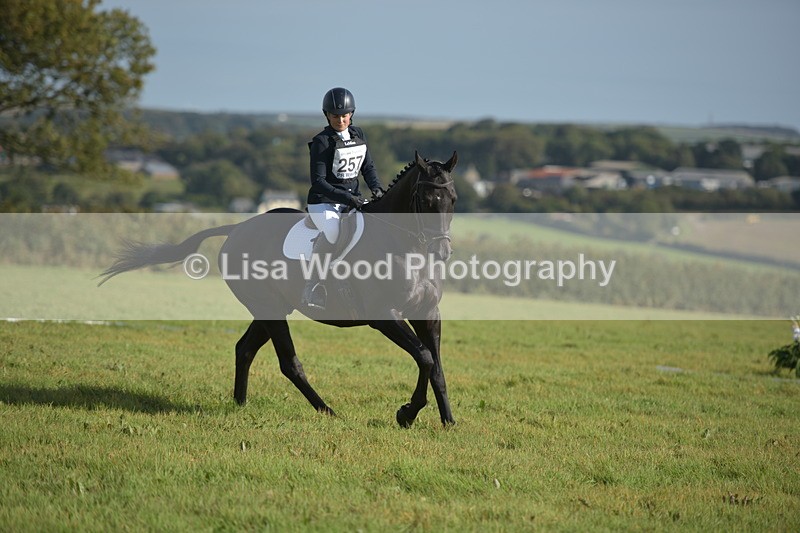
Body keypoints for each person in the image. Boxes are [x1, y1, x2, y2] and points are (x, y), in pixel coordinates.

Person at [301, 87, 385, 309]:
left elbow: (368, 167)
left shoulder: (358, 135)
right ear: (327, 115)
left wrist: (376, 188)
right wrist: (349, 200)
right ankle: (313, 285)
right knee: (332, 232)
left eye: (344, 115)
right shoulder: (322, 142)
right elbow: (318, 182)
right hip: (323, 202)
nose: (340, 120)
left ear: (351, 114)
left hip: (352, 199)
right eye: (335, 116)